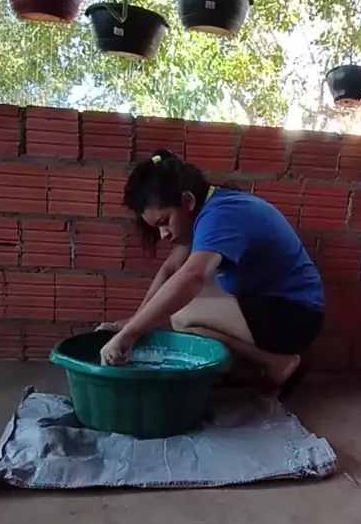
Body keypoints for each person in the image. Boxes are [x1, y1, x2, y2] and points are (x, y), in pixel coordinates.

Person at [99, 150, 325, 387]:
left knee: (183, 316)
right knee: (176, 301)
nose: (163, 234)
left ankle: (275, 363)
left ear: (187, 201)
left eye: (164, 222)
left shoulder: (220, 216)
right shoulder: (206, 207)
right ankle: (250, 368)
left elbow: (193, 276)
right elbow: (172, 270)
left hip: (295, 315)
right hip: (270, 301)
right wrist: (131, 323)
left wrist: (130, 334)